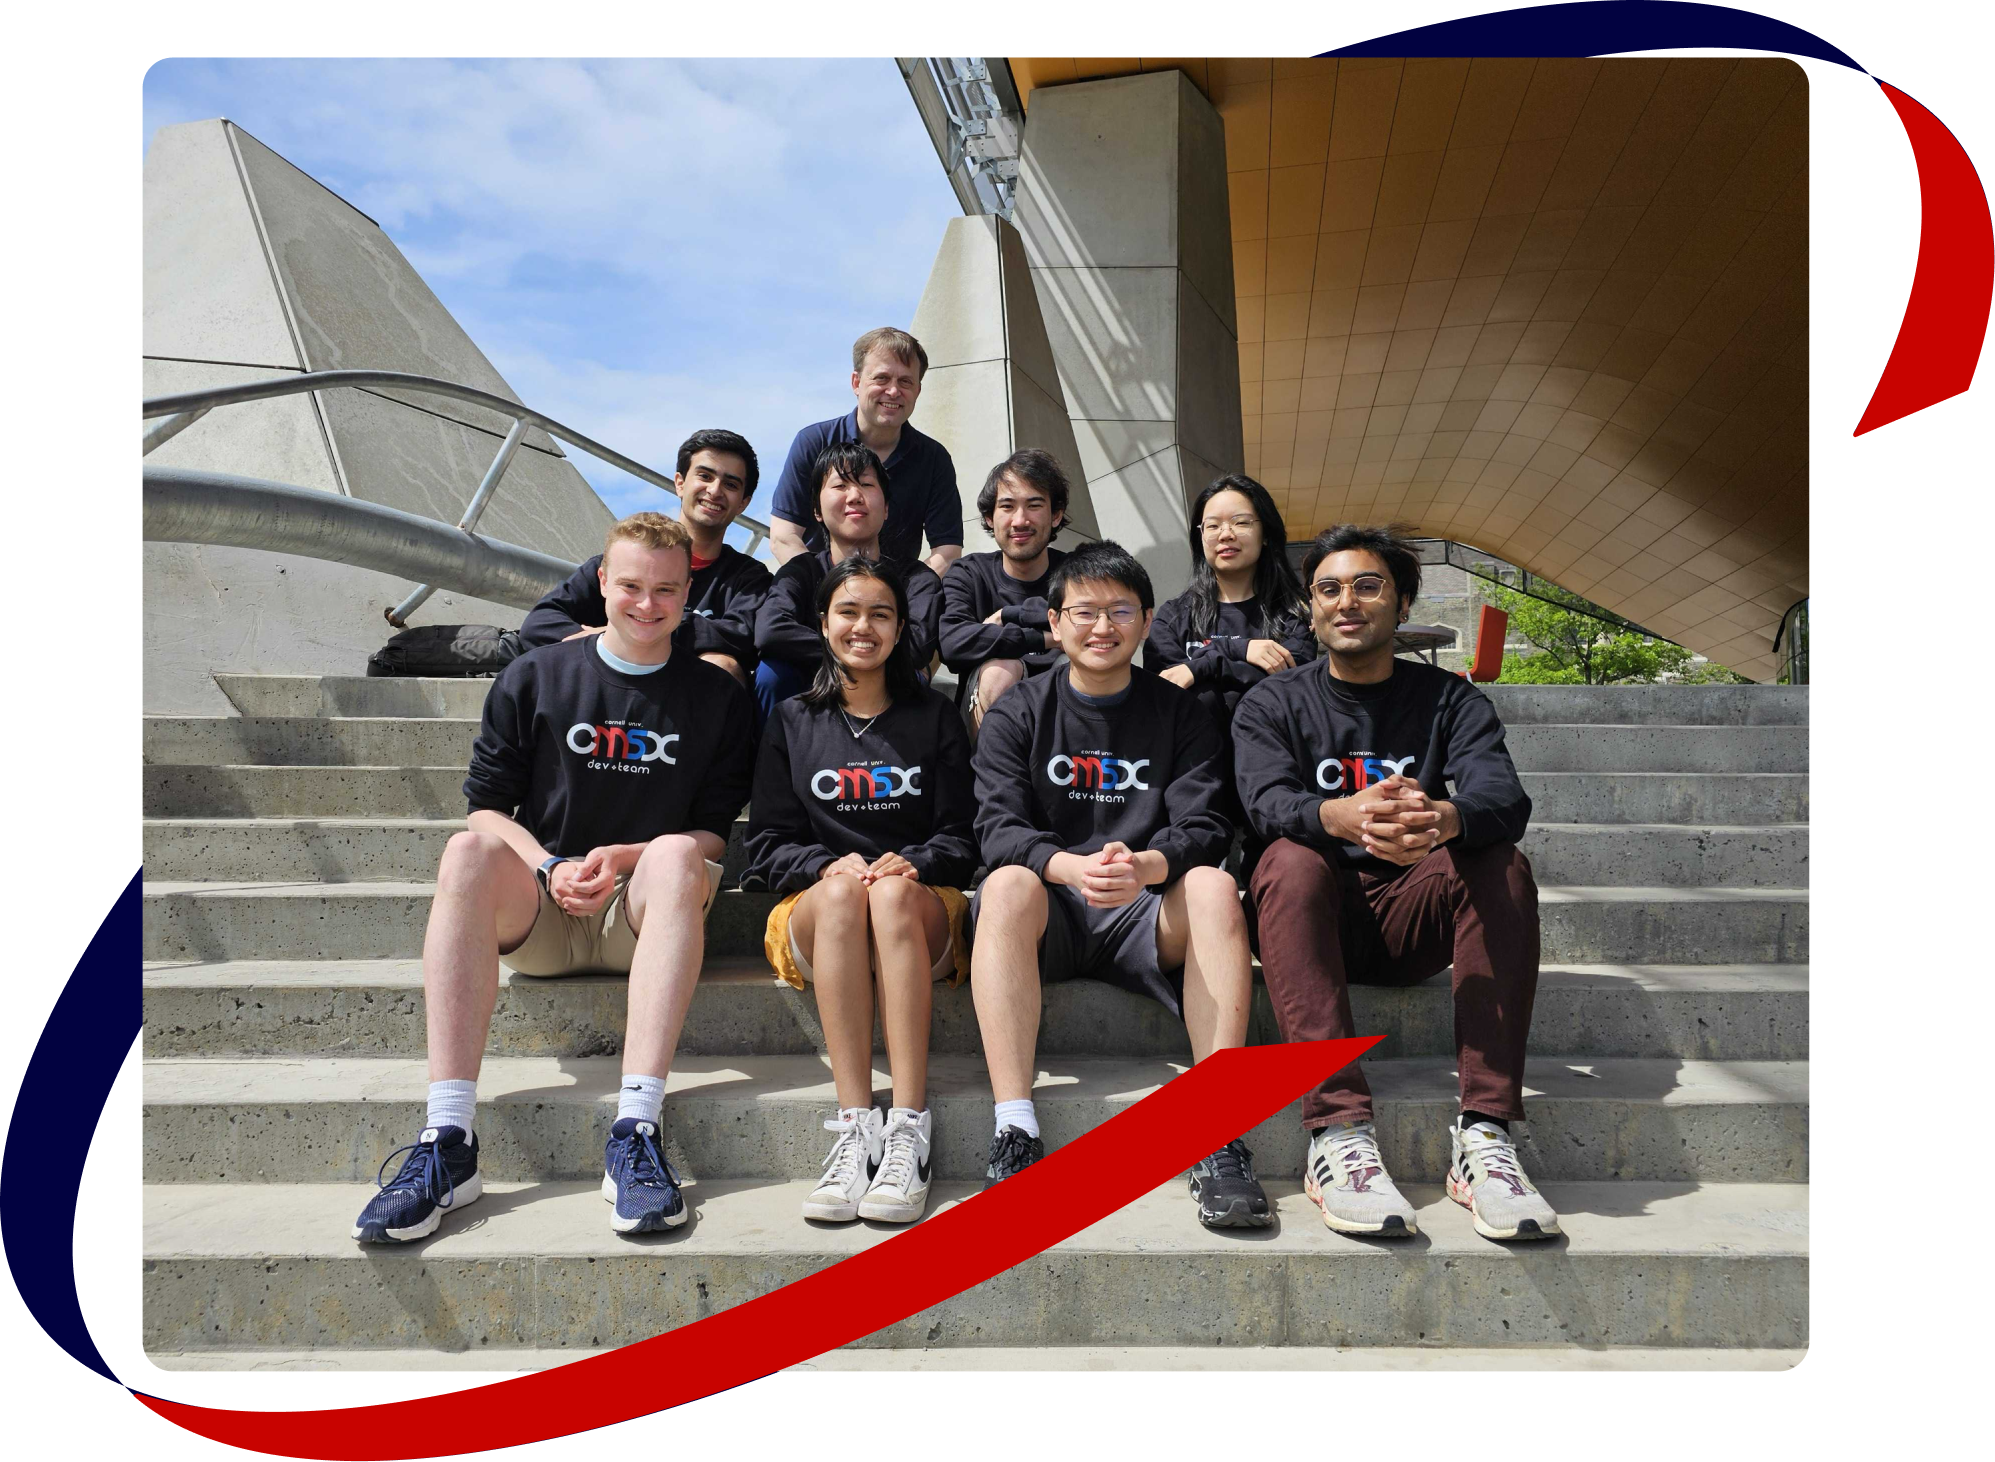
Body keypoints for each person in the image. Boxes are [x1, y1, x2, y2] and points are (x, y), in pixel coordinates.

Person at [351, 512, 755, 1243]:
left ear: (686, 590)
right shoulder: (534, 675)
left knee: (674, 853)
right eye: (630, 585)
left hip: (641, 915)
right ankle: (448, 1142)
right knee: (465, 854)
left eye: (665, 590)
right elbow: (483, 811)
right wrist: (549, 864)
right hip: (541, 912)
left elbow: (713, 835)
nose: (646, 604)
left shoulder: (718, 698)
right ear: (601, 582)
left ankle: (635, 1128)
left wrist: (626, 856)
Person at [1232, 524, 1555, 1242]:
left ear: (1401, 604)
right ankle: (1338, 1133)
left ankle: (1485, 1134)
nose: (1347, 602)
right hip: (1316, 917)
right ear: (1310, 609)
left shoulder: (1451, 702)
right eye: (1328, 589)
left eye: (1368, 585)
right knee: (1284, 857)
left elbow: (1504, 800)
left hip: (1415, 914)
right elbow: (1261, 805)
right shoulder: (1272, 704)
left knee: (1500, 861)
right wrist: (1339, 817)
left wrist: (1438, 818)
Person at [967, 540, 1271, 1230]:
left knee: (1216, 890)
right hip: (1050, 912)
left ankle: (1215, 1132)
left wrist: (1145, 867)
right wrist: (1068, 867)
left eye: (1119, 611)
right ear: (1053, 624)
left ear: (1145, 620)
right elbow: (995, 829)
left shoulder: (1180, 712)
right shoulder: (1017, 712)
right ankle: (1015, 1127)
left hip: (1143, 912)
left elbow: (1204, 825)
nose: (1101, 627)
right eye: (1083, 612)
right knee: (1009, 883)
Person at [743, 558, 978, 1225]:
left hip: (917, 913)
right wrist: (826, 866)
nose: (862, 626)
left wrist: (914, 860)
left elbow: (965, 837)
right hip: (825, 914)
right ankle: (855, 1129)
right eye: (847, 612)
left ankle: (908, 1128)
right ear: (822, 625)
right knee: (851, 892)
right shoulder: (791, 718)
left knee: (889, 893)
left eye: (880, 613)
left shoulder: (932, 717)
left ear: (901, 627)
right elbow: (765, 844)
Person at [517, 429, 770, 689]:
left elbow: (740, 636)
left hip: (682, 706)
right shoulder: (621, 561)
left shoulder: (749, 578)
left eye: (730, 484)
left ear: (743, 503)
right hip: (603, 695)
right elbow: (540, 624)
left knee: (722, 664)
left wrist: (630, 631)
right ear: (680, 483)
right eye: (705, 476)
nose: (715, 491)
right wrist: (607, 642)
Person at [1145, 474, 1314, 808]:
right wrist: (1238, 650)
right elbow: (1165, 690)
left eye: (1241, 522)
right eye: (1212, 526)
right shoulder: (1174, 617)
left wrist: (1201, 667)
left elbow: (1290, 690)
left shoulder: (1296, 616)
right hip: (1192, 788)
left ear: (1265, 533)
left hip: (1276, 784)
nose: (1226, 534)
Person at [752, 442, 943, 722]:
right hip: (809, 692)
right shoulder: (801, 572)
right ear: (817, 510)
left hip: (887, 696)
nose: (854, 496)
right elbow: (770, 631)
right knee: (772, 674)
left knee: (913, 678)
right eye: (840, 486)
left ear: (886, 508)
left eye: (866, 484)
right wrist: (859, 651)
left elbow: (916, 648)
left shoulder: (916, 578)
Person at [766, 327, 963, 576]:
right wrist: (827, 588)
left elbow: (947, 551)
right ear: (856, 383)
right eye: (881, 378)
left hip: (898, 602)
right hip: (818, 593)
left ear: (918, 391)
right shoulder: (814, 442)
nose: (893, 391)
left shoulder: (934, 459)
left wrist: (904, 595)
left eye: (905, 381)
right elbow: (784, 536)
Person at [938, 448, 1071, 738]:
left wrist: (1009, 616)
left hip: (1065, 724)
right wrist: (1048, 638)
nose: (1020, 520)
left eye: (1034, 505)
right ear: (989, 518)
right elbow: (953, 644)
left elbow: (1093, 630)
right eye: (1007, 506)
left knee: (1071, 665)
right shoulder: (969, 573)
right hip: (985, 719)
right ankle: (992, 780)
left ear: (1056, 515)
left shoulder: (1076, 573)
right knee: (1001, 670)